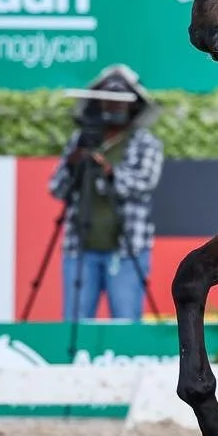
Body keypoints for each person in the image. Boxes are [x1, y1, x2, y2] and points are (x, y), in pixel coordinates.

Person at [49, 65, 164, 320]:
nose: (112, 109)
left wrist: (110, 172)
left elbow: (144, 185)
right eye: (107, 102)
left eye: (119, 103)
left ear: (134, 107)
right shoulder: (82, 140)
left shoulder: (145, 142)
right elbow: (57, 188)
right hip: (79, 247)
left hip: (126, 248)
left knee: (125, 320)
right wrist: (73, 164)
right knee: (75, 320)